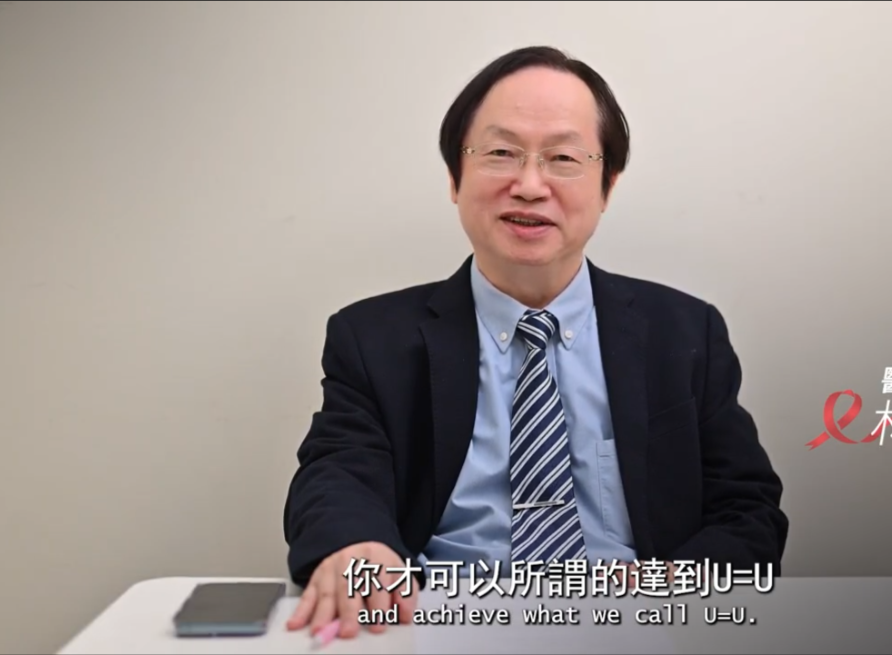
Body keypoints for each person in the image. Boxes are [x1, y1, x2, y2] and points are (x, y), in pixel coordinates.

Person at [283, 45, 789, 640]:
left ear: (608, 185)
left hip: (631, 625)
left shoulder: (684, 333)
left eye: (563, 158)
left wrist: (669, 587)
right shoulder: (372, 338)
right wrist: (356, 545)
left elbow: (747, 509)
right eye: (500, 153)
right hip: (443, 621)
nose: (528, 185)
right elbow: (338, 474)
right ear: (454, 178)